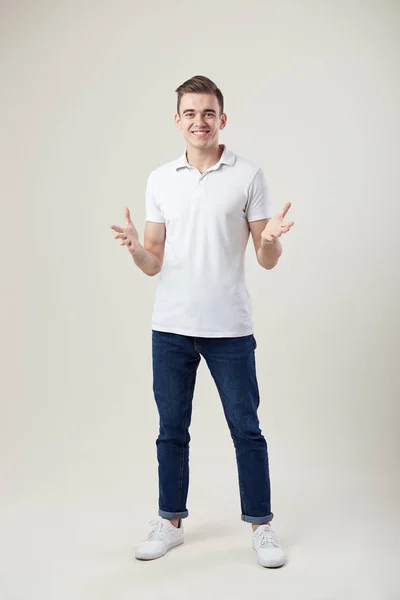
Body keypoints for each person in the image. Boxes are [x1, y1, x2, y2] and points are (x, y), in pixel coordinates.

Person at [110, 75, 294, 568]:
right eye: (190, 113)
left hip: (230, 328)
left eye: (208, 113)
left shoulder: (248, 175)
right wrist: (134, 246)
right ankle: (169, 522)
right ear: (178, 121)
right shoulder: (159, 179)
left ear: (222, 119)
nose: (199, 121)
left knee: (246, 428)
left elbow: (265, 257)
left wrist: (272, 237)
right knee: (172, 429)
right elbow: (153, 261)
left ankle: (262, 526)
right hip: (170, 327)